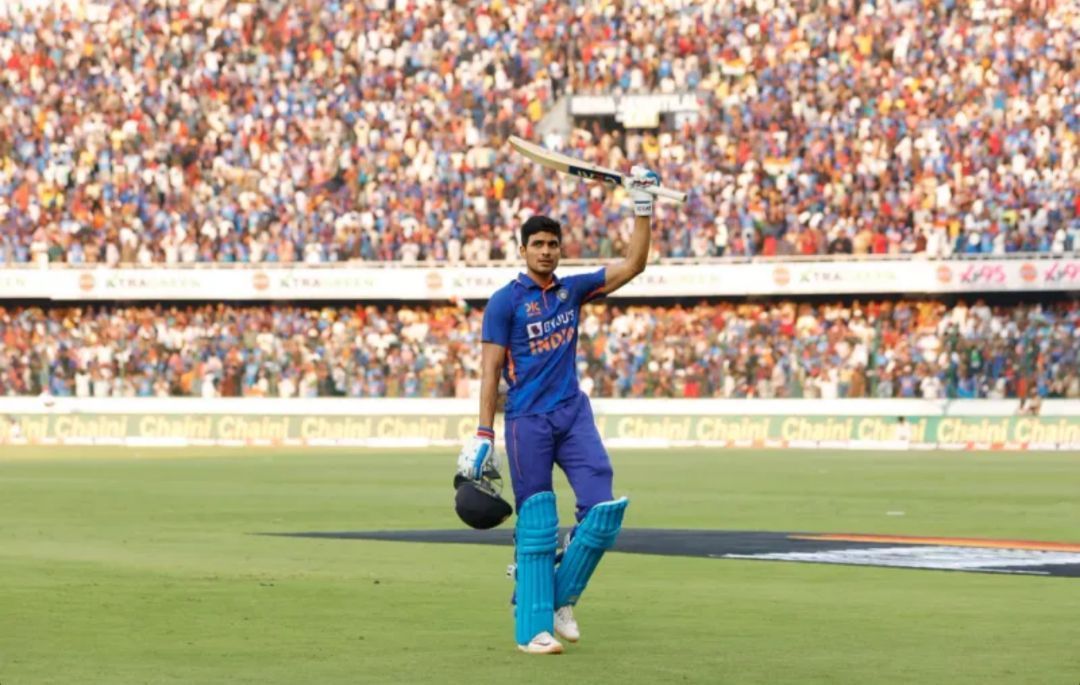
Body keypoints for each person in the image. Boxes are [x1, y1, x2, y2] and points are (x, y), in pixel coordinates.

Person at [456, 166, 660, 654]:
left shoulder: (573, 291)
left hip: (572, 413)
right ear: (522, 250)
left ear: (560, 249)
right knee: (538, 522)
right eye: (538, 244)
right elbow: (490, 371)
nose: (546, 250)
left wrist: (642, 207)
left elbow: (634, 264)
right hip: (527, 420)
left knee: (601, 511)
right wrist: (484, 432)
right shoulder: (505, 303)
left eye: (553, 244)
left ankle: (562, 594)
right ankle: (533, 628)